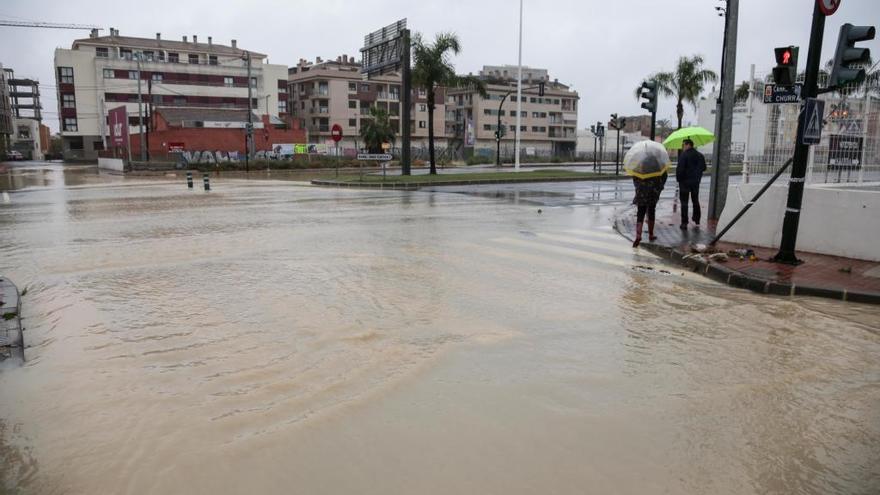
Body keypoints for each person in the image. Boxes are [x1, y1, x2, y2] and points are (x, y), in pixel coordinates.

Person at [676, 138, 707, 230]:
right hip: (696, 182)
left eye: (683, 145)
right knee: (695, 200)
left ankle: (684, 223)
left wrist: (679, 179)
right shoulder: (700, 155)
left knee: (684, 203)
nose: (683, 147)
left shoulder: (684, 155)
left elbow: (680, 169)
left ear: (687, 145)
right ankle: (697, 219)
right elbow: (704, 168)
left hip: (685, 183)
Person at [631, 171, 667, 248]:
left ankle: (638, 235)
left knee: (640, 213)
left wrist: (638, 185)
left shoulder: (640, 165)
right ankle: (651, 234)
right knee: (651, 211)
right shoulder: (658, 165)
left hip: (641, 192)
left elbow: (635, 177)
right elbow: (664, 176)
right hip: (653, 192)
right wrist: (659, 187)